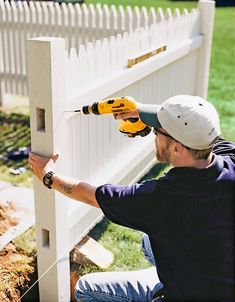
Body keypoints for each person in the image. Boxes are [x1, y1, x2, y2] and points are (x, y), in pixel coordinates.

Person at [28, 95, 235, 302]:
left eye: (157, 131)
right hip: (221, 279)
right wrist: (141, 111)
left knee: (86, 288)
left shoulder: (161, 199)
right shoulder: (228, 161)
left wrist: (48, 175)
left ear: (177, 148)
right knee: (149, 242)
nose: (154, 135)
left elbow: (90, 196)